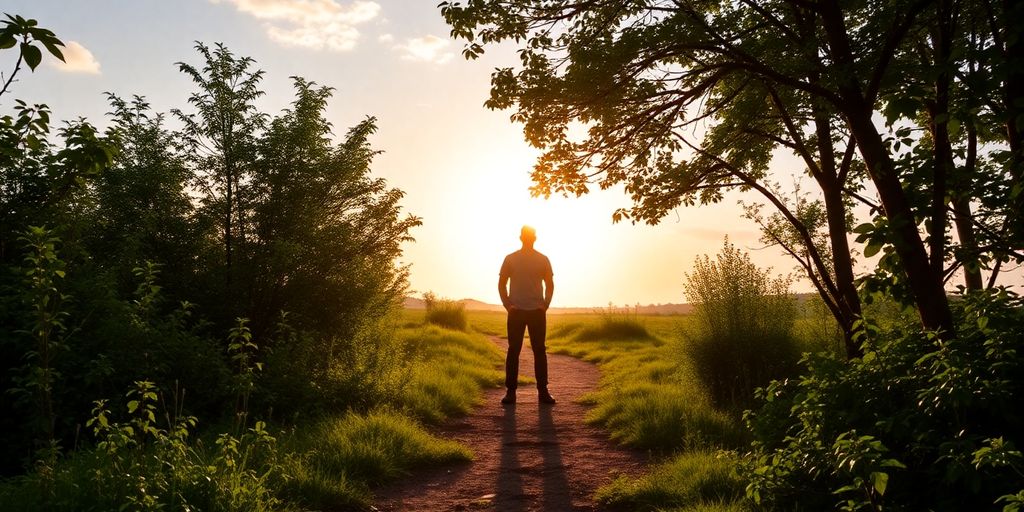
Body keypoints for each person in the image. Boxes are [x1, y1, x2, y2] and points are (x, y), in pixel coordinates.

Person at [498, 225, 556, 405]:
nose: (529, 238)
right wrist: (508, 305)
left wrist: (545, 305)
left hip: (537, 312)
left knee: (540, 351)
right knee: (513, 350)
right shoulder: (510, 259)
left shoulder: (543, 259)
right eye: (527, 236)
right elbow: (501, 283)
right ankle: (511, 393)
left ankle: (543, 392)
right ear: (521, 238)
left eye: (530, 236)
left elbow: (550, 284)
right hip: (516, 311)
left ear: (534, 238)